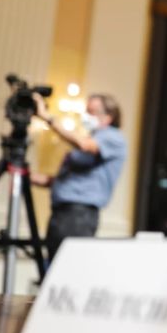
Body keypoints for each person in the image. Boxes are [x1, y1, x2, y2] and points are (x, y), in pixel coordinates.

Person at [32, 93, 127, 263]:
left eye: (91, 112)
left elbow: (84, 144)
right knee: (53, 268)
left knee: (67, 268)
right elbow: (65, 180)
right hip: (61, 213)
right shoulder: (90, 138)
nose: (85, 116)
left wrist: (47, 117)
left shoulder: (113, 137)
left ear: (108, 117)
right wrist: (30, 177)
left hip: (78, 215)